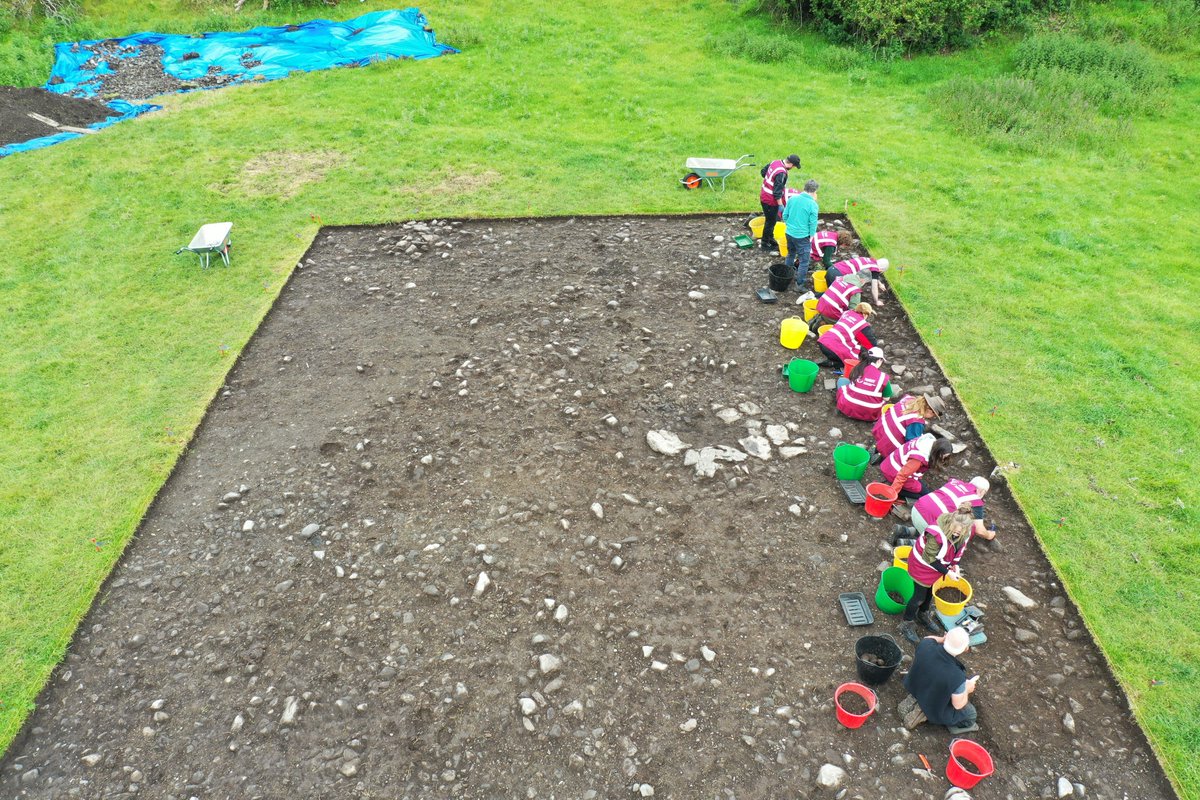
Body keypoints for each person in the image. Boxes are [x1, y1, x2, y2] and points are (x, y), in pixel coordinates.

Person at [900, 510, 973, 644]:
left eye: (959, 532)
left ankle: (923, 614)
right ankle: (907, 622)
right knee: (919, 597)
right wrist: (947, 573)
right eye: (954, 531)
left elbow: (957, 550)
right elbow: (929, 558)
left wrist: (954, 565)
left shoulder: (964, 533)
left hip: (937, 568)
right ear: (950, 522)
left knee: (930, 592)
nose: (956, 534)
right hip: (922, 565)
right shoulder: (936, 534)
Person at [902, 626, 980, 734]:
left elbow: (929, 638)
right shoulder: (957, 676)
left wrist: (944, 639)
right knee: (971, 715)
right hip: (932, 704)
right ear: (964, 649)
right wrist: (967, 688)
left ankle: (918, 703)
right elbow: (958, 705)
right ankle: (952, 726)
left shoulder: (926, 645)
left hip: (915, 686)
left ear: (946, 636)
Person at [909, 476, 996, 538]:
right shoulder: (975, 499)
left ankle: (906, 531)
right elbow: (979, 530)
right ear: (981, 491)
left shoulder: (954, 482)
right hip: (928, 523)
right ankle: (916, 544)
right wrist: (989, 535)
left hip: (915, 510)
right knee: (963, 529)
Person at [871, 393, 945, 463]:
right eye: (934, 416)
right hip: (888, 444)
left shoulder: (908, 398)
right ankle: (882, 454)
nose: (932, 418)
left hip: (879, 429)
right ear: (930, 411)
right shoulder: (916, 421)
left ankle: (876, 446)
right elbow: (912, 443)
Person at [881, 432, 954, 501]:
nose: (943, 459)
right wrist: (892, 494)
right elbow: (902, 475)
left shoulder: (928, 442)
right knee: (923, 495)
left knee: (924, 489)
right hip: (893, 471)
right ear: (937, 452)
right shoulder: (918, 459)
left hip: (891, 464)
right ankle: (897, 491)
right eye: (943, 456)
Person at [836, 347, 896, 421]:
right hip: (871, 414)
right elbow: (886, 398)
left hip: (847, 408)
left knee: (842, 381)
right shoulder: (883, 377)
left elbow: (851, 382)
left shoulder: (858, 368)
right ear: (879, 360)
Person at [758, 154, 801, 252]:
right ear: (791, 164)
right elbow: (777, 192)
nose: (793, 168)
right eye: (794, 166)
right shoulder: (781, 173)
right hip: (770, 200)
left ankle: (770, 238)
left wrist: (769, 182)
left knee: (771, 221)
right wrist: (780, 205)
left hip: (764, 194)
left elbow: (763, 172)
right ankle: (764, 244)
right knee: (770, 222)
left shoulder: (775, 162)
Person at [816, 302, 878, 369]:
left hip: (823, 341)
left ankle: (832, 360)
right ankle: (834, 363)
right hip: (833, 349)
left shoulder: (847, 313)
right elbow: (871, 344)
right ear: (865, 314)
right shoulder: (862, 324)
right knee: (853, 362)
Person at [781, 179, 819, 289]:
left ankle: (785, 276)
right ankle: (799, 284)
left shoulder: (792, 199)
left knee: (790, 254)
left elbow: (785, 215)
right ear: (814, 191)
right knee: (804, 261)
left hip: (789, 233)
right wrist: (811, 235)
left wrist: (790, 225)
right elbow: (813, 223)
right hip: (802, 237)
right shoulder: (813, 204)